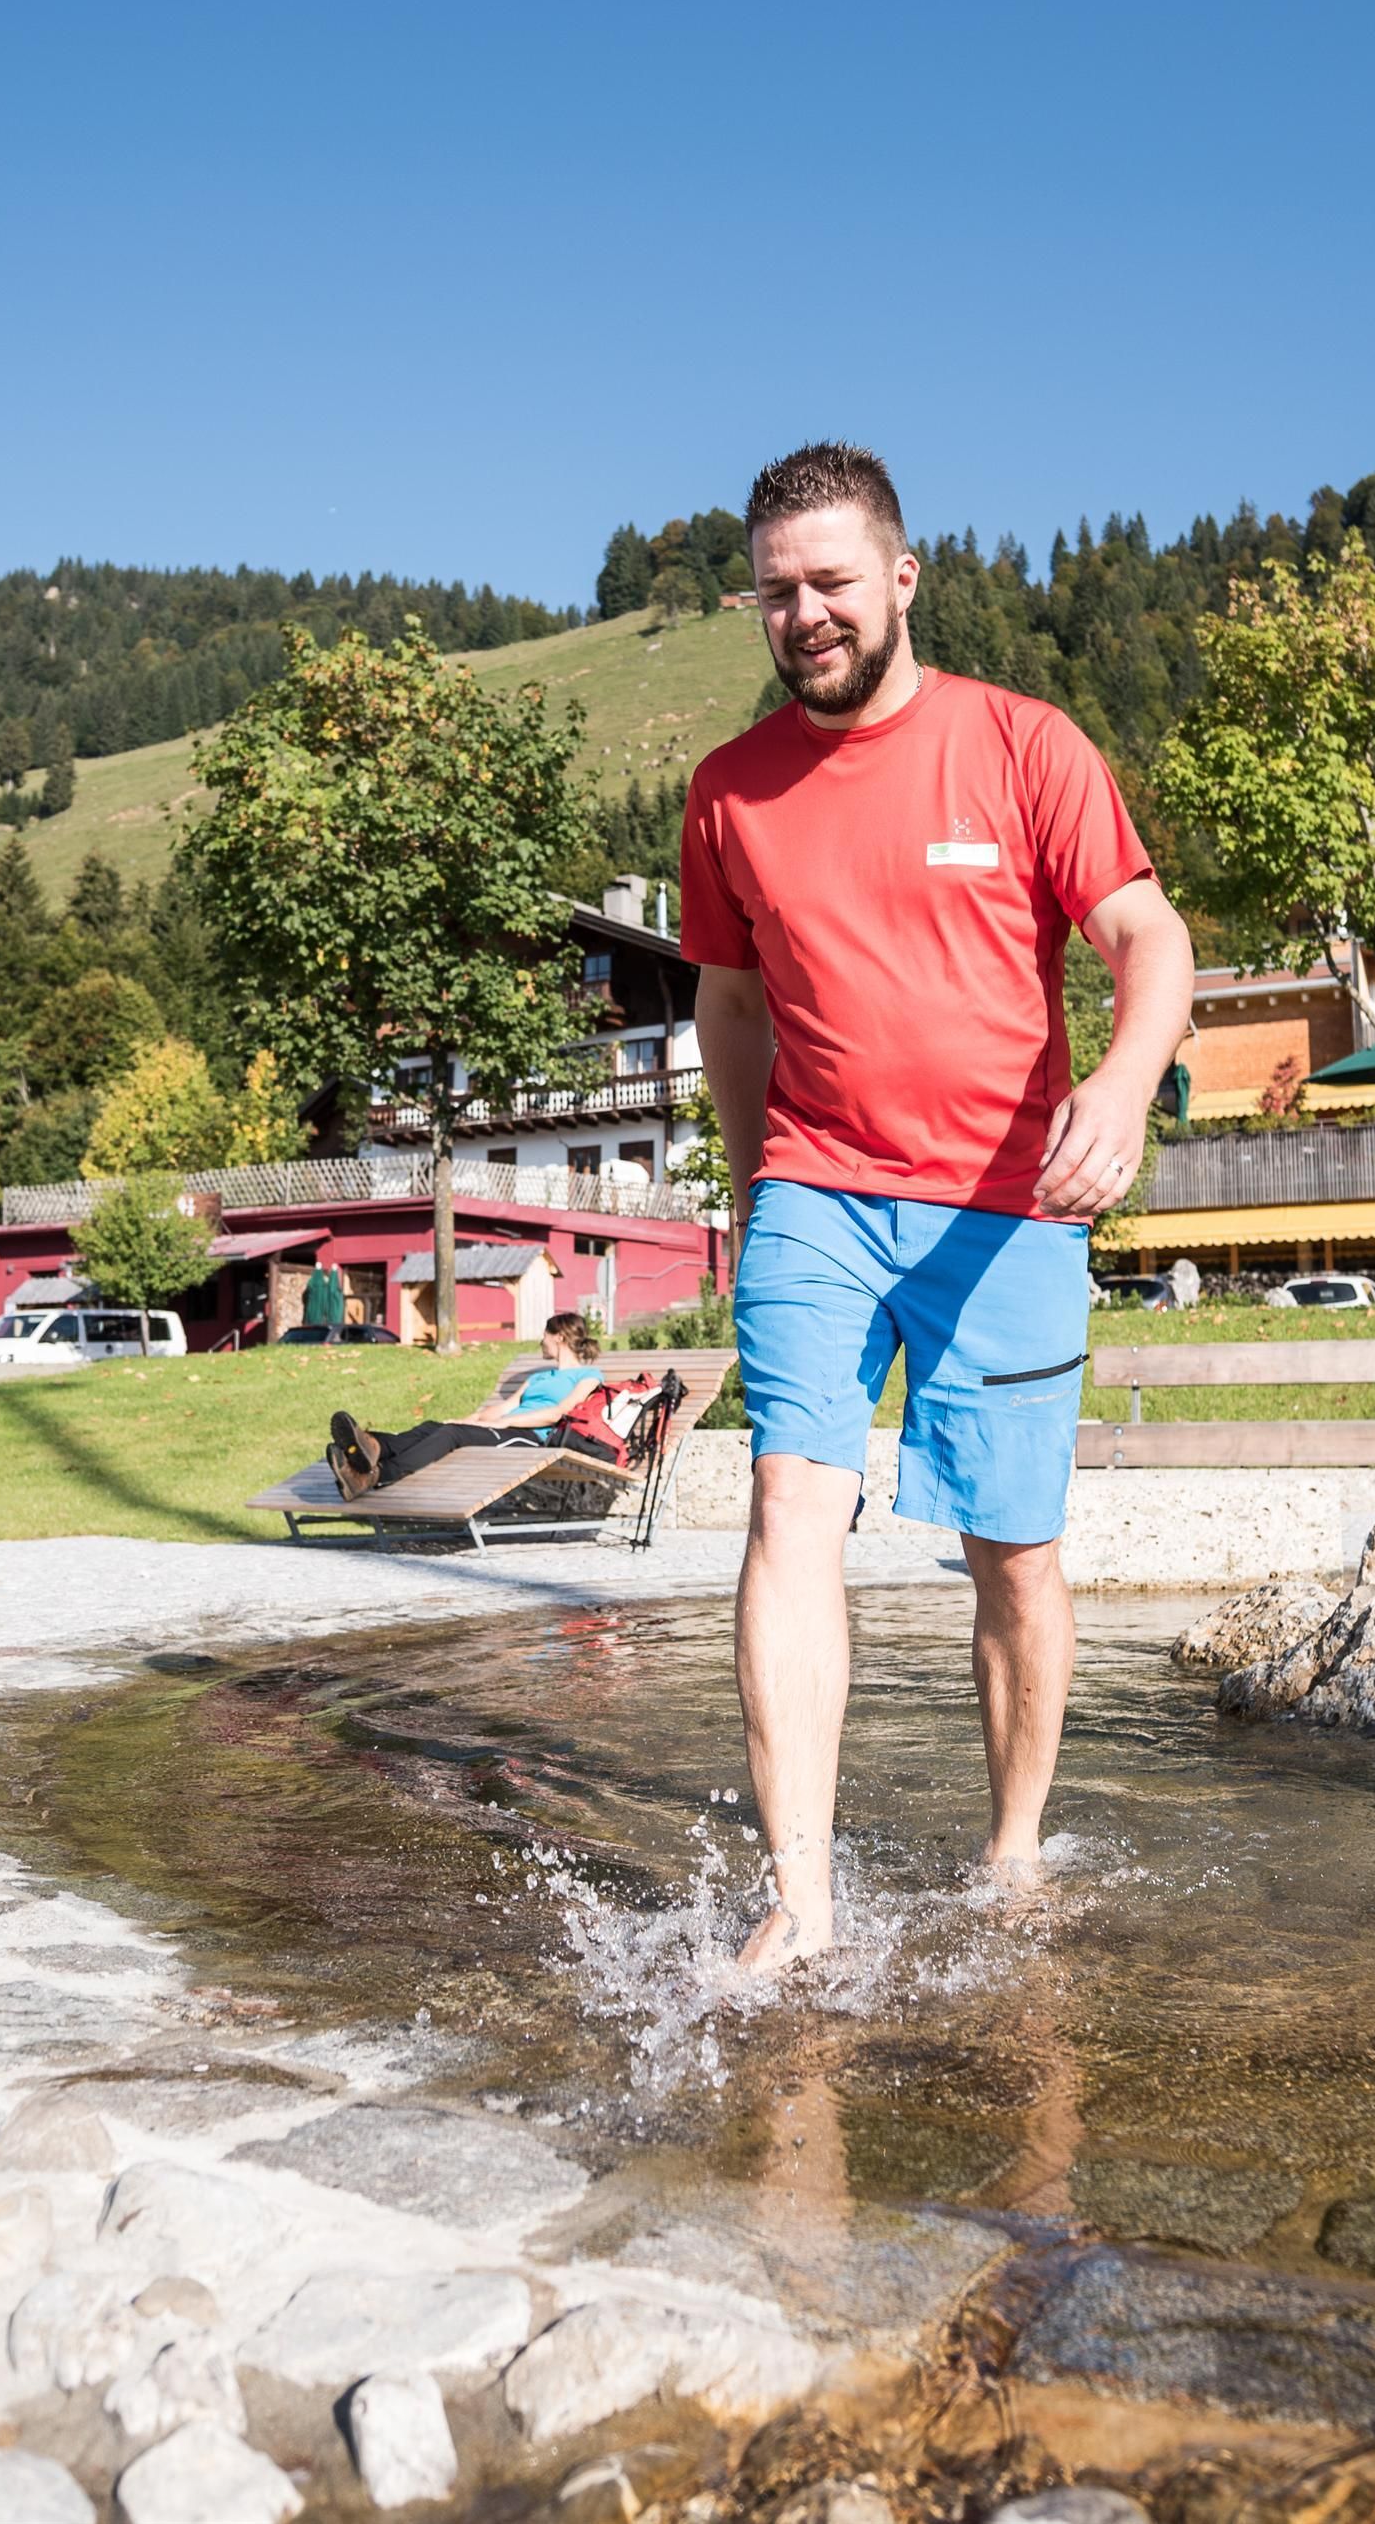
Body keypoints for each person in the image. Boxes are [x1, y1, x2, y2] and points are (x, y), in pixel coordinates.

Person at [681, 441, 1195, 1968]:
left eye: (833, 581)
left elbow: (1149, 940)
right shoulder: (728, 793)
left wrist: (1117, 1086)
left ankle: (1015, 1845)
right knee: (790, 1503)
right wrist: (752, 1174)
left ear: (902, 577)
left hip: (1008, 1207)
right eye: (778, 593)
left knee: (1013, 1551)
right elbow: (728, 1005)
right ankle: (803, 1895)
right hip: (818, 1197)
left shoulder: (1026, 746)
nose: (807, 615)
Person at [326, 1311, 611, 1495]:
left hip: (533, 1438)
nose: (542, 1341)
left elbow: (560, 1413)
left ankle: (376, 1474)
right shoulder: (539, 1377)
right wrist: (468, 1419)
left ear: (559, 1337)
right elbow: (504, 1407)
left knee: (452, 1435)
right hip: (507, 1427)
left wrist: (505, 1422)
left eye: (545, 1335)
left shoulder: (589, 1375)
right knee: (436, 1427)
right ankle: (372, 1445)